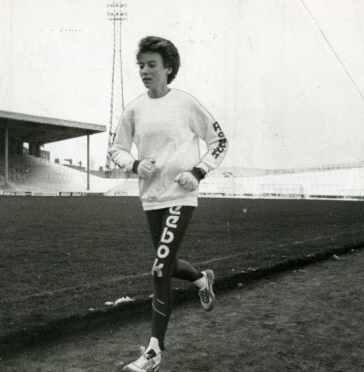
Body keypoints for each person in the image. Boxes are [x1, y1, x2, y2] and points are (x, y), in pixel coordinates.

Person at [109, 35, 228, 372]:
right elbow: (115, 149)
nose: (145, 71)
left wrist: (199, 171)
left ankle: (154, 351)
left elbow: (219, 141)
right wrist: (133, 165)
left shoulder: (187, 104)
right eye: (141, 65)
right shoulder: (134, 109)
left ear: (168, 68)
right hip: (151, 198)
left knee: (160, 267)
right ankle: (202, 279)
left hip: (181, 196)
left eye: (151, 65)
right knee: (169, 262)